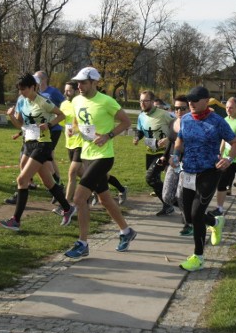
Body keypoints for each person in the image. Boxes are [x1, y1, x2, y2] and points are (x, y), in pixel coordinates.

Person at [64, 67, 137, 258]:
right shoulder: (77, 100)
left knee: (79, 198)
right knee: (105, 199)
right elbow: (79, 122)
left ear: (95, 83)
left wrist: (108, 135)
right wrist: (73, 129)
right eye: (78, 82)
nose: (79, 86)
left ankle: (83, 243)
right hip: (87, 154)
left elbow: (126, 122)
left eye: (83, 83)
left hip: (103, 156)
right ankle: (126, 231)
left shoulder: (106, 101)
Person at [171, 85, 236, 272]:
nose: (191, 103)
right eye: (189, 100)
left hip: (209, 171)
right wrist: (176, 154)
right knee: (189, 215)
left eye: (195, 100)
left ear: (206, 100)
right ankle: (215, 222)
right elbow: (180, 140)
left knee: (195, 213)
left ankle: (198, 257)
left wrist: (228, 159)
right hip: (188, 172)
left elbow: (235, 143)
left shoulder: (217, 121)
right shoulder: (185, 119)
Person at [0, 74, 76, 231]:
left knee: (22, 179)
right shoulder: (23, 102)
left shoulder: (42, 101)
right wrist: (11, 116)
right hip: (29, 143)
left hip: (42, 144)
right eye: (20, 90)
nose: (22, 93)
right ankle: (68, 208)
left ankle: (16, 221)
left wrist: (49, 124)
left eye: (24, 89)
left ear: (33, 87)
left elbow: (61, 115)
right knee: (48, 182)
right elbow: (20, 124)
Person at [134, 90, 175, 216]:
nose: (142, 103)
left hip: (164, 152)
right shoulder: (141, 116)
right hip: (150, 151)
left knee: (150, 178)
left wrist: (168, 139)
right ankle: (168, 203)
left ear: (152, 101)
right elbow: (140, 130)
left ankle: (171, 200)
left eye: (145, 101)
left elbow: (177, 126)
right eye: (141, 101)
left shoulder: (163, 114)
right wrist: (136, 137)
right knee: (153, 180)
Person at [160, 96, 193, 235]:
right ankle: (188, 210)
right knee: (167, 196)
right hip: (174, 163)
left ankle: (188, 223)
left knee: (181, 195)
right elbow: (171, 141)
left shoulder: (193, 123)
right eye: (176, 108)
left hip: (188, 164)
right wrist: (165, 156)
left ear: (189, 108)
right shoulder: (173, 122)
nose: (179, 111)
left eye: (182, 108)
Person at [56, 81, 84, 214]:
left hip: (81, 142)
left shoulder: (81, 102)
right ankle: (97, 188)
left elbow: (87, 121)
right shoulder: (64, 104)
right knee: (81, 173)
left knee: (72, 173)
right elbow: (62, 120)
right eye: (65, 90)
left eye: (69, 90)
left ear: (76, 91)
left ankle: (65, 204)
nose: (66, 93)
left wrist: (76, 129)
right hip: (70, 143)